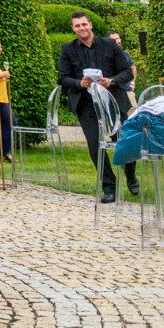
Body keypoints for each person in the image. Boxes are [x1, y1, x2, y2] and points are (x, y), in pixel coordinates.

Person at [58, 10, 139, 203]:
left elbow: (127, 72)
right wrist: (79, 83)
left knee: (125, 140)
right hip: (86, 103)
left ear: (90, 25)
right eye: (77, 26)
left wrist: (111, 81)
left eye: (84, 24)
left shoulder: (109, 45)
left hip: (112, 98)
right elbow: (62, 78)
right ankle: (109, 187)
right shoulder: (68, 49)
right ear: (73, 28)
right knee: (95, 146)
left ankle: (131, 175)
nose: (81, 28)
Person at [108, 31, 137, 98]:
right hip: (112, 93)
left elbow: (133, 67)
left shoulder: (125, 54)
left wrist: (132, 83)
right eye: (115, 39)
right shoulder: (106, 56)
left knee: (134, 108)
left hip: (127, 91)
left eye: (118, 38)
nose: (118, 41)